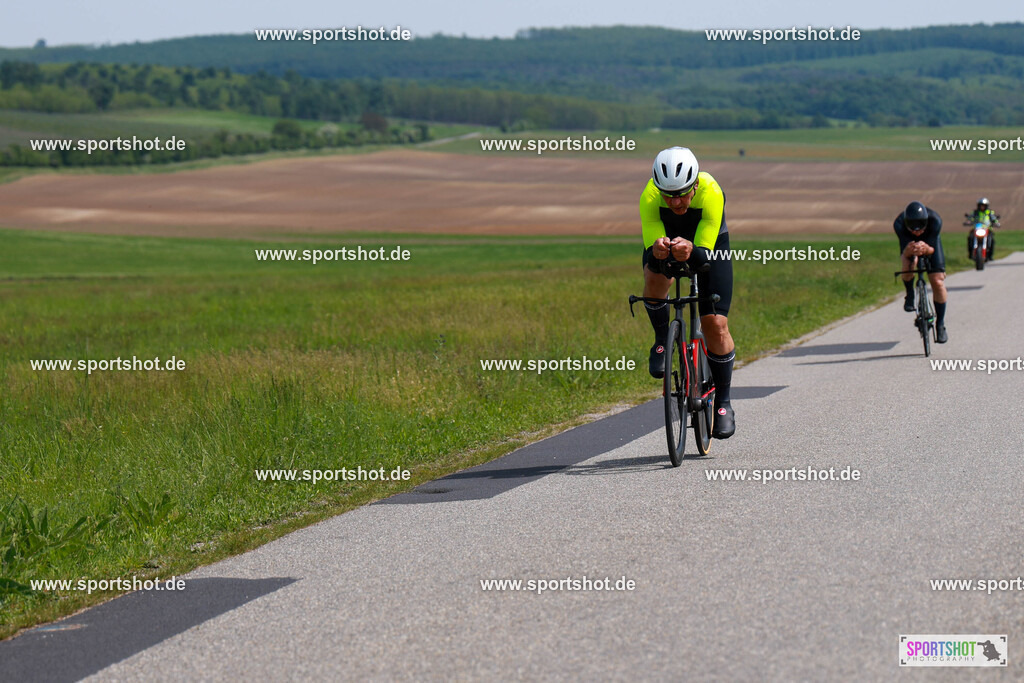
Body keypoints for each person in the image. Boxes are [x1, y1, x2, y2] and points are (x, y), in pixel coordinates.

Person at [640, 147, 735, 439]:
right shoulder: (650, 197)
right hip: (668, 237)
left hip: (709, 242)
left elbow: (705, 257)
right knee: (655, 277)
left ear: (694, 184)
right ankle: (661, 340)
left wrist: (692, 250)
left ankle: (723, 402)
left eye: (682, 192)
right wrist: (658, 251)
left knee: (715, 323)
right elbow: (651, 246)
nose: (676, 201)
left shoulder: (711, 191)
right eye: (668, 195)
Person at [895, 201, 948, 343]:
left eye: (920, 227)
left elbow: (932, 250)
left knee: (937, 281)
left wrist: (926, 249)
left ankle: (940, 324)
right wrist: (910, 251)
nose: (917, 231)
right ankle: (910, 295)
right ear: (906, 224)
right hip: (909, 244)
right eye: (913, 228)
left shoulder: (935, 221)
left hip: (930, 243)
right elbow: (904, 250)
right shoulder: (899, 224)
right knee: (908, 263)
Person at [966, 197, 1000, 261]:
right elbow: (970, 218)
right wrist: (968, 221)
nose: (982, 207)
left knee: (991, 240)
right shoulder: (975, 212)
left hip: (987, 229)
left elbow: (994, 218)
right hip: (977, 228)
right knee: (970, 237)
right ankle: (970, 253)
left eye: (984, 206)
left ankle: (990, 255)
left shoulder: (989, 212)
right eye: (981, 205)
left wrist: (996, 223)